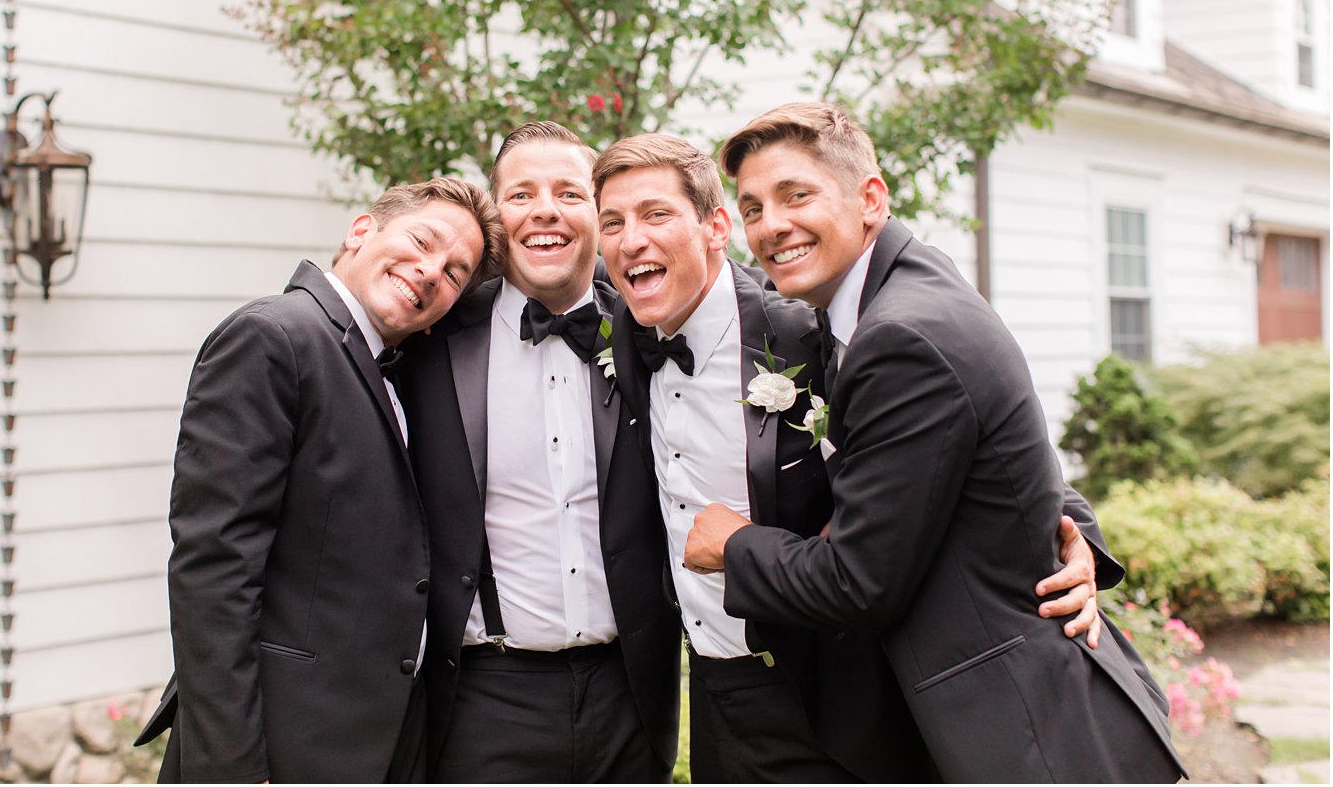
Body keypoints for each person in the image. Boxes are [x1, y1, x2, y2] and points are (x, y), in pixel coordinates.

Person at [687, 102, 1186, 782]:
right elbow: (999, 455)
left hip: (1025, 740)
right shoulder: (891, 295)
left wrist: (732, 544)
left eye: (795, 195)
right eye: (751, 208)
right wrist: (1077, 533)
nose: (771, 225)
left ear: (870, 197)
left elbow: (861, 582)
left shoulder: (902, 334)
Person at [594, 133, 1115, 782]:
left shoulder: (807, 324)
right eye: (611, 223)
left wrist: (1075, 536)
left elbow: (963, 424)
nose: (630, 239)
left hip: (839, 700)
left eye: (655, 213)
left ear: (715, 227)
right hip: (715, 694)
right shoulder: (625, 331)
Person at [134, 178, 505, 783]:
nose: (433, 270)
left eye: (456, 272)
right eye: (422, 239)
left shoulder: (395, 369)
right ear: (361, 231)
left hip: (371, 743)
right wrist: (231, 766)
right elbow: (214, 569)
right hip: (277, 745)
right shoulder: (275, 335)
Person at [396, 122, 677, 782]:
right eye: (522, 194)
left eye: (568, 193)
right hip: (482, 699)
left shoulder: (653, 329)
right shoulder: (431, 339)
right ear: (497, 219)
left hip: (630, 696)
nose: (545, 210)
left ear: (598, 215)